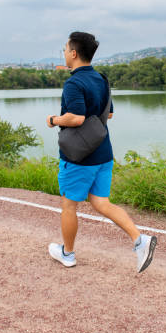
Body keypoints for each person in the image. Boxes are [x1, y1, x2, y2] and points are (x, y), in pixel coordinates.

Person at [46, 31, 157, 273]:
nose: (64, 53)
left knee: (68, 205)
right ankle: (140, 240)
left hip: (79, 157)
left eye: (65, 49)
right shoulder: (101, 79)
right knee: (101, 202)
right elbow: (109, 114)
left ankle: (67, 253)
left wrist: (54, 120)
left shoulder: (74, 82)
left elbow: (75, 118)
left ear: (74, 53)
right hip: (103, 153)